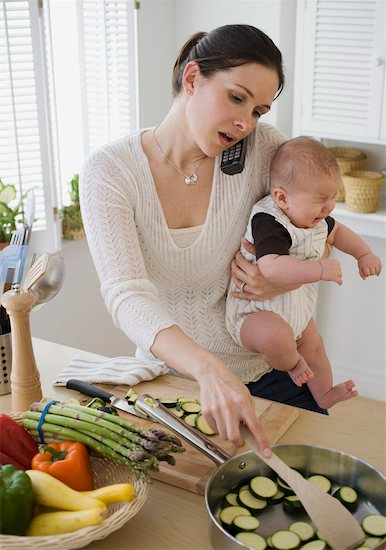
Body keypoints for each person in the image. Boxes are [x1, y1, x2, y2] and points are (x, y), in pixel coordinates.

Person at [80, 23, 317, 457]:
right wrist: (208, 369)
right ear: (192, 79)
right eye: (236, 97)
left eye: (259, 109)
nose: (246, 122)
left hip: (270, 375)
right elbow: (126, 294)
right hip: (167, 385)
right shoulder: (110, 171)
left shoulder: (264, 151)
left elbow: (318, 220)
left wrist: (283, 278)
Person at [226, 137, 382, 409]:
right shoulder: (269, 221)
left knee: (315, 346)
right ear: (282, 198)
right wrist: (319, 268)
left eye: (333, 197)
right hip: (254, 312)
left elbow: (339, 233)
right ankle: (292, 364)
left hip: (294, 307)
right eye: (322, 199)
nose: (330, 206)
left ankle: (324, 394)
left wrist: (363, 254)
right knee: (276, 337)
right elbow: (271, 267)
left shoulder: (315, 218)